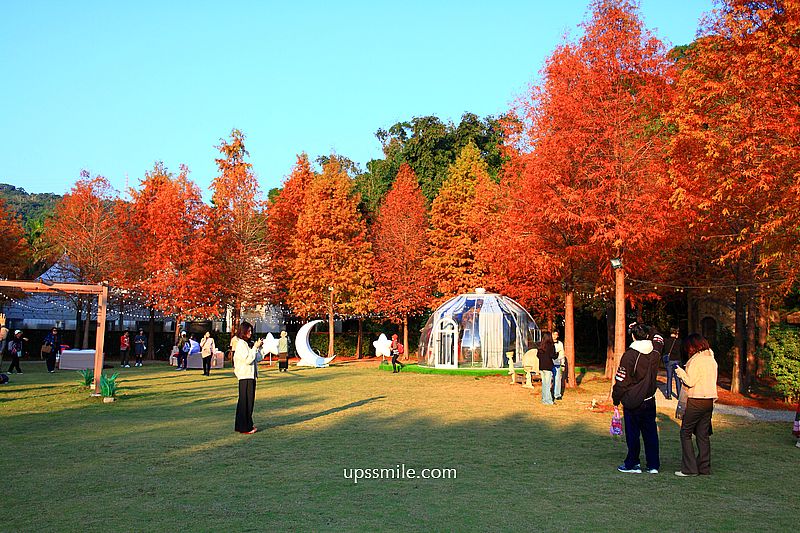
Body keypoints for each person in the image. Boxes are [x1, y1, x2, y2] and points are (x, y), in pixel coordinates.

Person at [612, 323, 664, 474]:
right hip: (649, 399)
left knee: (633, 433)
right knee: (650, 433)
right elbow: (659, 337)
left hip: (632, 400)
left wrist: (616, 399)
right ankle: (653, 464)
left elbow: (621, 381)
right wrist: (647, 327)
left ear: (633, 336)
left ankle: (633, 463)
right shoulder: (655, 351)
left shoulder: (630, 355)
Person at [674, 333, 718, 477]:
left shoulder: (696, 361)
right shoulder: (711, 359)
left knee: (685, 433)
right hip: (709, 400)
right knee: (702, 435)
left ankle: (689, 468)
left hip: (696, 399)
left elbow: (690, 381)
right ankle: (704, 467)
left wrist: (680, 372)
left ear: (693, 346)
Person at [233, 321, 264, 434]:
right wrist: (254, 348)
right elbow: (248, 360)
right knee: (246, 402)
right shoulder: (241, 344)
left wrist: (258, 348)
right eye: (248, 331)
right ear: (243, 332)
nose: (250, 333)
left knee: (245, 402)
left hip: (250, 376)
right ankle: (245, 427)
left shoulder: (247, 344)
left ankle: (243, 425)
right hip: (245, 376)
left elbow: (258, 358)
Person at [662, 327, 681, 400]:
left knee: (669, 378)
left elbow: (664, 350)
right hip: (677, 360)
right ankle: (679, 395)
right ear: (676, 333)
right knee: (677, 378)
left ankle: (669, 395)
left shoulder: (666, 341)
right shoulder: (679, 341)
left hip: (669, 360)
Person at [537, 332, 555, 405]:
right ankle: (548, 401)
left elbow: (538, 355)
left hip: (541, 367)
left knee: (544, 384)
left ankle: (544, 399)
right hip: (548, 367)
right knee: (547, 384)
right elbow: (553, 355)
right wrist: (557, 354)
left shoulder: (541, 346)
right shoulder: (551, 346)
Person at [552, 330, 566, 400]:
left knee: (557, 379)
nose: (554, 336)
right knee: (548, 379)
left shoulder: (560, 344)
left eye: (556, 335)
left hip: (557, 363)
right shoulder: (548, 343)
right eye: (553, 334)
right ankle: (549, 393)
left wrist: (563, 364)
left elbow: (562, 354)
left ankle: (557, 394)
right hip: (549, 363)